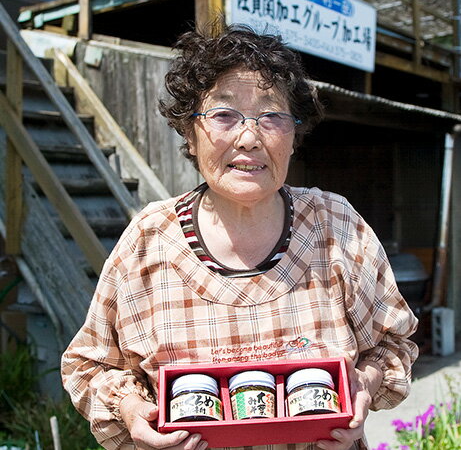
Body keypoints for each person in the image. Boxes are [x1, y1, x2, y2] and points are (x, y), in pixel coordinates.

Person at [61, 23, 418, 450]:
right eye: (224, 115)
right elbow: (90, 367)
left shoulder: (334, 225)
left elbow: (392, 342)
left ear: (292, 137)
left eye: (271, 116)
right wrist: (132, 410)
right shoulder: (149, 238)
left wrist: (364, 383)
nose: (249, 137)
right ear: (190, 135)